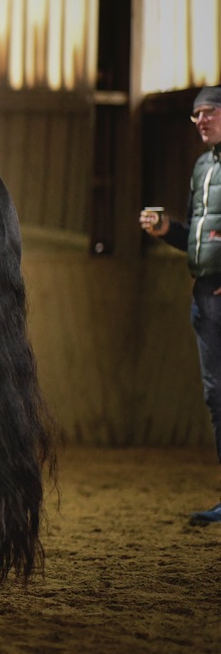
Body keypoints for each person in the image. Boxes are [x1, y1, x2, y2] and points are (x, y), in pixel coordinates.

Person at [140, 84, 221, 525]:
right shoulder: (203, 167)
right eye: (196, 115)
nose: (201, 121)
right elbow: (198, 237)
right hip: (205, 295)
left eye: (209, 112)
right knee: (217, 397)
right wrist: (167, 228)